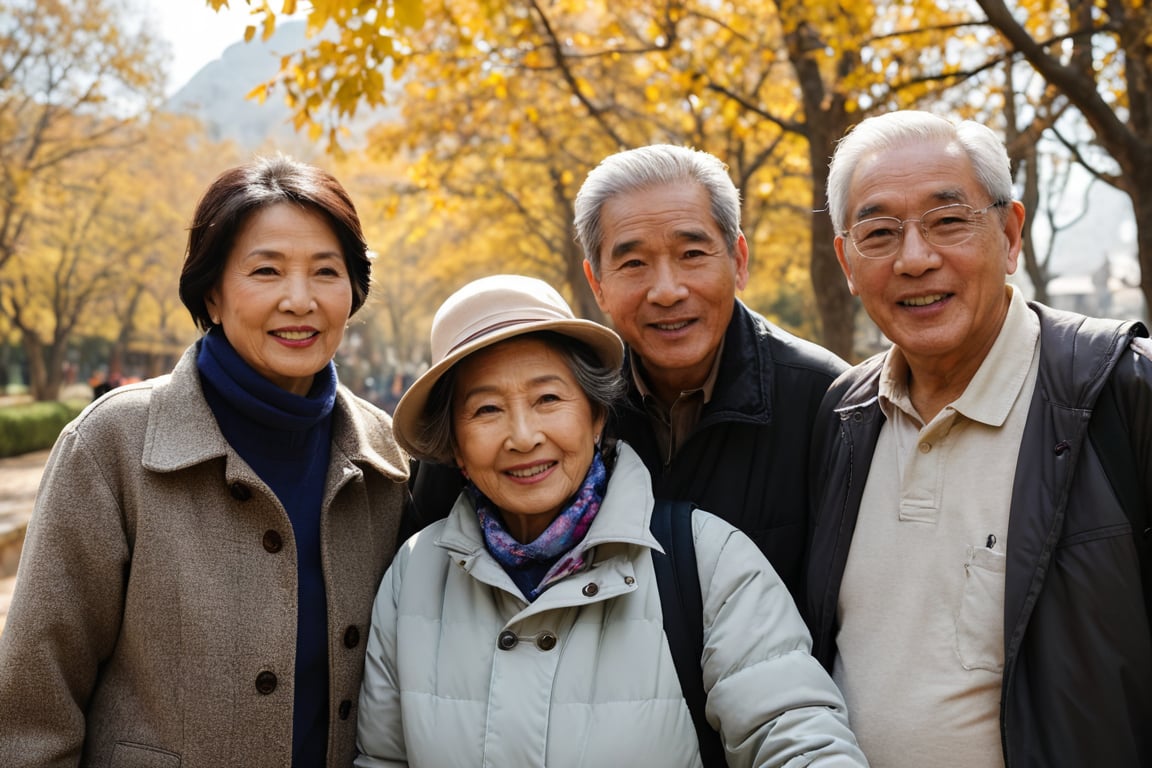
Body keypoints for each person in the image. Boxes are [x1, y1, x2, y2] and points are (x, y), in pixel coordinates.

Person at [355, 274, 867, 767]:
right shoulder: (414, 574)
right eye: (487, 410)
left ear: (596, 417)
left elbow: (793, 733)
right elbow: (382, 758)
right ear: (456, 449)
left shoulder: (706, 557)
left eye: (548, 399)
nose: (524, 436)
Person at [0, 156, 410, 767]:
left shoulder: (386, 458)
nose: (299, 300)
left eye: (326, 272)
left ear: (352, 293)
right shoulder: (113, 444)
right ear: (212, 292)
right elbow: (34, 712)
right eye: (266, 270)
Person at [805, 110, 1152, 767]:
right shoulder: (843, 417)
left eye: (948, 221)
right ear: (846, 260)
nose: (915, 258)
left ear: (1011, 233)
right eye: (879, 233)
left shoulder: (1121, 393)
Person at [407, 144, 847, 605]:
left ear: (738, 259)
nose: (667, 290)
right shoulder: (568, 399)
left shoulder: (823, 400)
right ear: (597, 282)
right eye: (633, 263)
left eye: (692, 253)